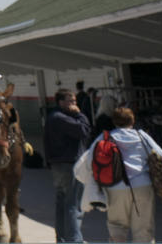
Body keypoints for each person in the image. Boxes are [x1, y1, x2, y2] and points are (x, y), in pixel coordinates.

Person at [74, 106, 162, 243]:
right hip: (143, 187)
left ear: (114, 121)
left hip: (115, 188)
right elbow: (161, 156)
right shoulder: (142, 136)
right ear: (132, 120)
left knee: (117, 229)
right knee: (143, 230)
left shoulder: (105, 138)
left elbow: (87, 164)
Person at [45, 88, 91, 242]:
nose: (74, 104)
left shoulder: (52, 117)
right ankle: (74, 239)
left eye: (75, 101)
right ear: (60, 102)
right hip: (69, 164)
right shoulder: (61, 118)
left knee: (62, 203)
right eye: (70, 101)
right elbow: (83, 130)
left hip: (58, 163)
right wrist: (79, 114)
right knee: (73, 203)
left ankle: (62, 237)